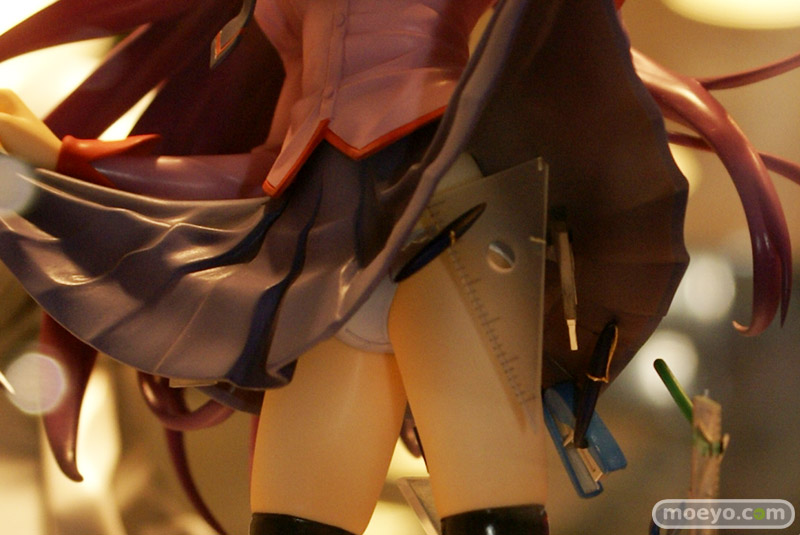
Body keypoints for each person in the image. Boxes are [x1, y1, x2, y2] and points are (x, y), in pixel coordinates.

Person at [1, 0, 790, 533]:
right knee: (296, 519)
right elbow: (258, 175)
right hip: (331, 255)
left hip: (451, 213)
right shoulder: (289, 34)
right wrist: (69, 160)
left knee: (493, 509)